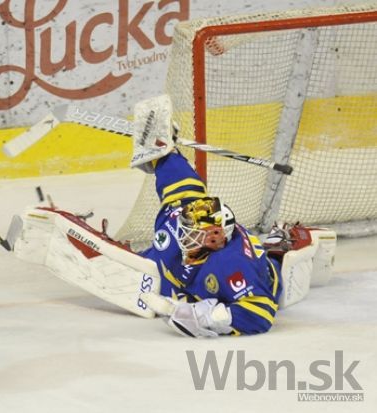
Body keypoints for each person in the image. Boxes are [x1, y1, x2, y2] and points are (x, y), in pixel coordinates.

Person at [131, 95, 336, 337]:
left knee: (269, 268)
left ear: (215, 240)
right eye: (186, 226)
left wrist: (209, 315)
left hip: (251, 277)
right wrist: (163, 149)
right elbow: (183, 184)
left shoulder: (234, 265)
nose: (183, 232)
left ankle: (287, 246)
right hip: (185, 273)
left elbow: (261, 313)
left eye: (192, 232)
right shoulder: (182, 216)